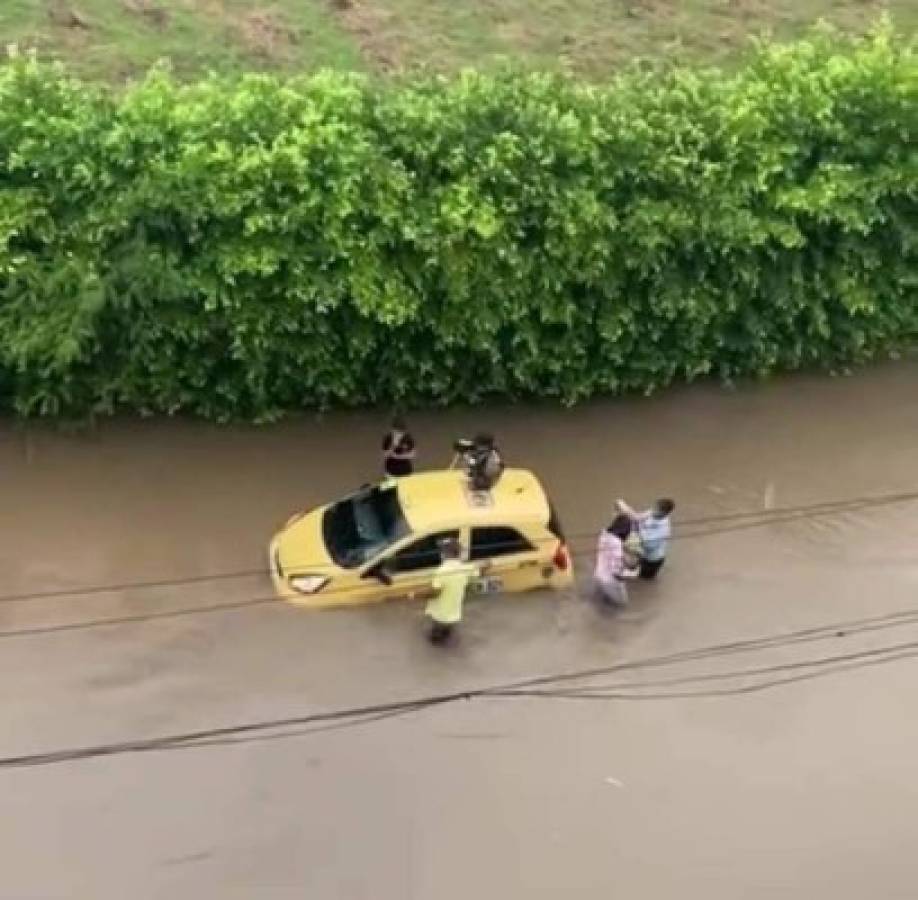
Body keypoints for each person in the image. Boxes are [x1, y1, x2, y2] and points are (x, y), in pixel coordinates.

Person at [425, 537, 479, 644]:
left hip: (440, 613)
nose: (440, 553)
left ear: (445, 553)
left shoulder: (442, 571)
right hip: (455, 611)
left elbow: (435, 593)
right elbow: (477, 573)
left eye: (442, 550)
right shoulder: (466, 568)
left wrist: (415, 595)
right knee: (447, 633)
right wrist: (486, 565)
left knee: (435, 639)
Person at [616, 497, 676, 579]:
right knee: (634, 559)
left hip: (653, 560)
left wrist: (632, 542)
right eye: (655, 507)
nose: (653, 511)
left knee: (644, 576)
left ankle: (637, 570)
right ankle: (636, 566)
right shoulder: (652, 512)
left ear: (665, 513)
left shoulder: (663, 530)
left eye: (657, 510)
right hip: (645, 553)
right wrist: (625, 507)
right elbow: (637, 517)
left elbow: (648, 546)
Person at [594, 514, 638, 606]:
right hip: (609, 580)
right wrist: (632, 573)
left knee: (606, 596)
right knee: (622, 604)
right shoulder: (617, 544)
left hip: (599, 573)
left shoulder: (604, 534)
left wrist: (623, 554)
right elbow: (616, 572)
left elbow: (611, 553)